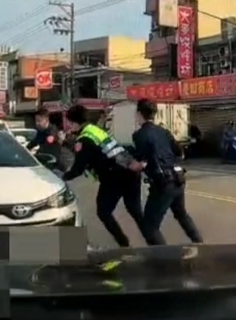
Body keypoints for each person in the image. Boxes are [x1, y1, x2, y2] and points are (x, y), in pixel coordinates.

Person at [62, 104, 145, 248]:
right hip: (130, 172)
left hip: (114, 177)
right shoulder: (94, 130)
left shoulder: (85, 138)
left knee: (103, 212)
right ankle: (156, 241)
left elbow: (78, 168)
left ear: (74, 122)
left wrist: (62, 178)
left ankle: (124, 245)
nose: (68, 126)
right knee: (136, 212)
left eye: (68, 122)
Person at [131, 98, 203, 246]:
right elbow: (178, 152)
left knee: (150, 227)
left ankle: (163, 259)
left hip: (163, 184)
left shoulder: (139, 135)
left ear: (139, 114)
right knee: (181, 214)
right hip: (178, 179)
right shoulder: (164, 131)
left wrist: (128, 165)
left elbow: (141, 163)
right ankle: (199, 242)